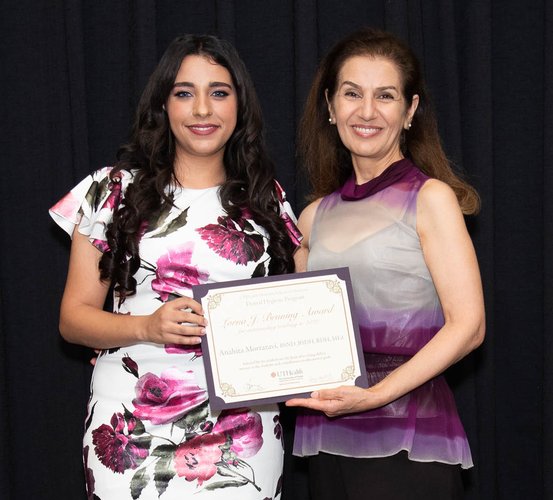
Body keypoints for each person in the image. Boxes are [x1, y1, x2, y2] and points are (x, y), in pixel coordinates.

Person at [50, 34, 301, 499]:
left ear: (239, 106)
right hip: (132, 429)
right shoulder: (113, 191)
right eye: (184, 93)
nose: (203, 109)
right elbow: (73, 318)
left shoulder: (268, 199)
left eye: (219, 93)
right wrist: (145, 327)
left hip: (246, 435)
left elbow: (304, 313)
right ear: (163, 105)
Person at [286, 27, 485, 500]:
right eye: (353, 94)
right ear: (331, 107)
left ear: (410, 111)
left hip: (408, 439)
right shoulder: (313, 217)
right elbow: (294, 332)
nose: (368, 111)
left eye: (386, 96)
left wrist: (374, 396)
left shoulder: (431, 199)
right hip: (329, 436)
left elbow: (469, 326)